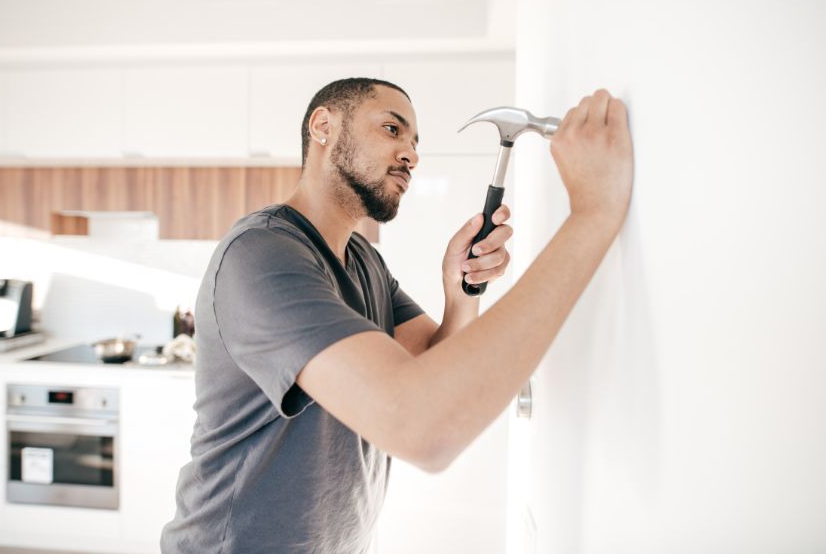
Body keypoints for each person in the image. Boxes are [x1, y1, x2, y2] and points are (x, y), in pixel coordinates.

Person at [161, 78, 633, 553]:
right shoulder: (262, 255)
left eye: (414, 143)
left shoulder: (363, 258)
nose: (411, 154)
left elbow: (436, 366)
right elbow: (422, 425)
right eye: (392, 129)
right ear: (323, 126)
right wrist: (592, 213)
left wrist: (460, 293)